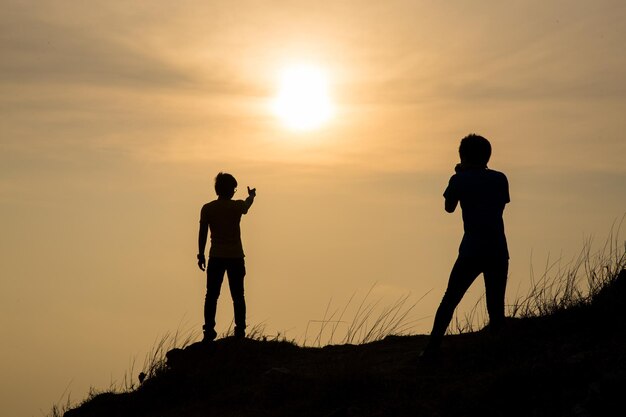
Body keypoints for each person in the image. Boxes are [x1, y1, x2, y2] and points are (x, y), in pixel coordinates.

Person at [422, 134, 510, 358]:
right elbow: (499, 205)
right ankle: (498, 351)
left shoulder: (459, 180)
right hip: (498, 249)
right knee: (496, 304)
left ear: (462, 156)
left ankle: (432, 349)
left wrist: (460, 174)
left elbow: (449, 207)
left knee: (450, 299)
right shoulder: (500, 179)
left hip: (472, 249)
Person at [197, 172, 256, 342]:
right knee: (238, 295)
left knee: (211, 295)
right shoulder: (236, 207)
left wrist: (200, 254)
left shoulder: (208, 208)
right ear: (231, 190)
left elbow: (202, 233)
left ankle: (209, 331)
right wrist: (251, 195)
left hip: (216, 256)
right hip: (236, 257)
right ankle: (240, 330)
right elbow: (246, 205)